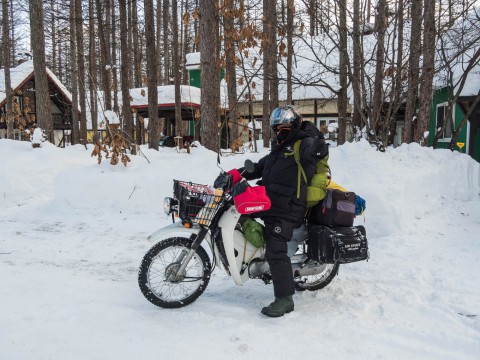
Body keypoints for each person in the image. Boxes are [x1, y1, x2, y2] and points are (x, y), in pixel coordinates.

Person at [215, 105, 329, 317]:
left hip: (288, 208)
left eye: (284, 127)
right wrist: (233, 175)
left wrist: (319, 146)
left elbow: (313, 152)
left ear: (294, 126)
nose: (279, 131)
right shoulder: (279, 149)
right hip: (270, 201)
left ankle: (284, 299)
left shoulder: (303, 144)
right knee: (240, 215)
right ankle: (255, 261)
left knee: (275, 249)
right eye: (276, 128)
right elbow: (257, 167)